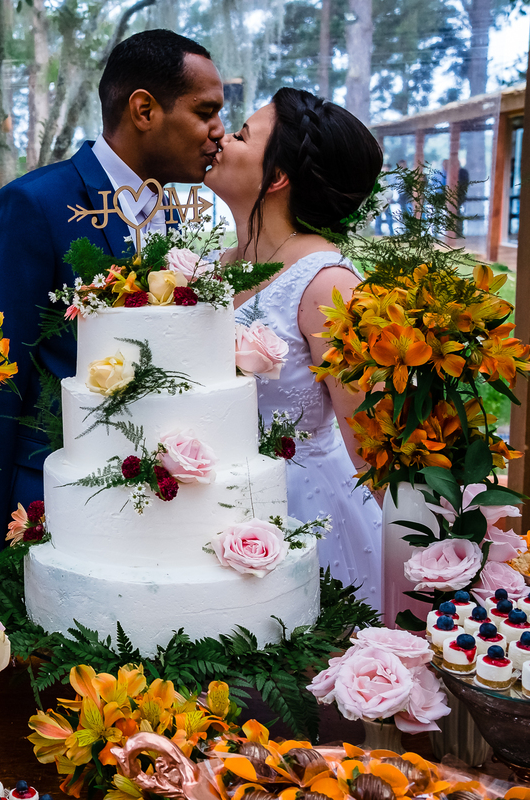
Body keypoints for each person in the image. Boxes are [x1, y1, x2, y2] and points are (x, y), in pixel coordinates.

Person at [0, 29, 225, 576]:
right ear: (144, 109)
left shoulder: (170, 212)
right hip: (50, 499)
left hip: (156, 506)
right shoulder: (33, 205)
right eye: (205, 111)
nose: (219, 132)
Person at [204, 86, 384, 611]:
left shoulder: (328, 284)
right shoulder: (214, 265)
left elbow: (369, 443)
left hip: (305, 513)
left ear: (278, 177)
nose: (220, 137)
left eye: (240, 135)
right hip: (214, 506)